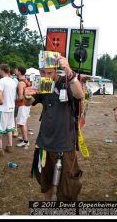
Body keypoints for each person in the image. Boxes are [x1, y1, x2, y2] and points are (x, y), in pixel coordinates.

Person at [23, 54, 84, 201]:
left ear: (56, 70)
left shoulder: (66, 82)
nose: (46, 76)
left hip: (65, 144)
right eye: (42, 72)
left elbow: (79, 95)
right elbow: (29, 102)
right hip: (44, 144)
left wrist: (69, 71)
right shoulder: (43, 83)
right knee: (45, 182)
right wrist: (26, 96)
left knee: (68, 187)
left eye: (49, 72)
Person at [0, 64, 17, 155]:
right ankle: (10, 146)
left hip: (3, 108)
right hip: (11, 107)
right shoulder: (13, 81)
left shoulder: (2, 80)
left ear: (2, 70)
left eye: (0, 70)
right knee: (9, 129)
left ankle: (0, 150)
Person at [15, 66, 31, 148]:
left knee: (21, 123)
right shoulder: (26, 81)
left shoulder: (20, 83)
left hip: (22, 105)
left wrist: (14, 101)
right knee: (23, 122)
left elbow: (20, 97)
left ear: (19, 72)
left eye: (16, 70)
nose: (15, 70)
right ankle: (25, 139)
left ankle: (26, 141)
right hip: (27, 104)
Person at [9, 68, 19, 137]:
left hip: (14, 100)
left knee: (14, 116)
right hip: (10, 100)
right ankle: (11, 129)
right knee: (11, 115)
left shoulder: (14, 80)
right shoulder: (12, 80)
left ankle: (15, 129)